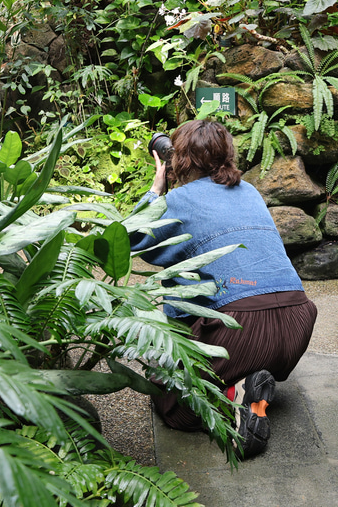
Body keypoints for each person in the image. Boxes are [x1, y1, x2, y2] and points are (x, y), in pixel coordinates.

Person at [130, 119, 317, 458]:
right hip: (296, 325)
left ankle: (232, 398)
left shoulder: (178, 200)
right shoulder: (250, 191)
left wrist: (156, 189)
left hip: (239, 329)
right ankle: (249, 384)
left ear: (178, 159)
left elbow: (129, 239)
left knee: (171, 401)